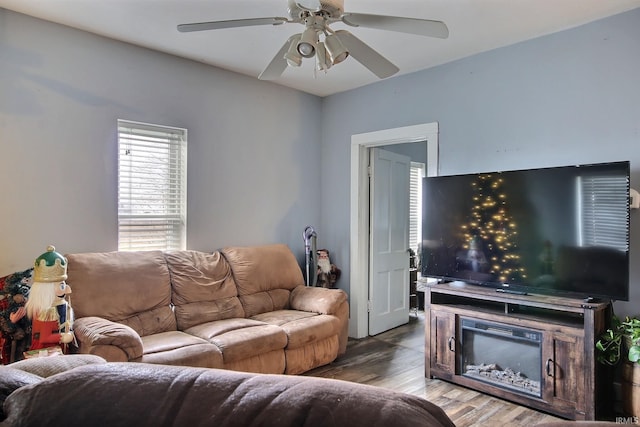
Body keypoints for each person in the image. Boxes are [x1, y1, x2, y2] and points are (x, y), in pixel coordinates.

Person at [24, 245, 74, 353]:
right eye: (61, 286)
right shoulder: (46, 311)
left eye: (64, 285)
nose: (67, 289)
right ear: (47, 290)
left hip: (58, 349)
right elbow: (44, 337)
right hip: (46, 351)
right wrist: (62, 337)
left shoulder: (59, 305)